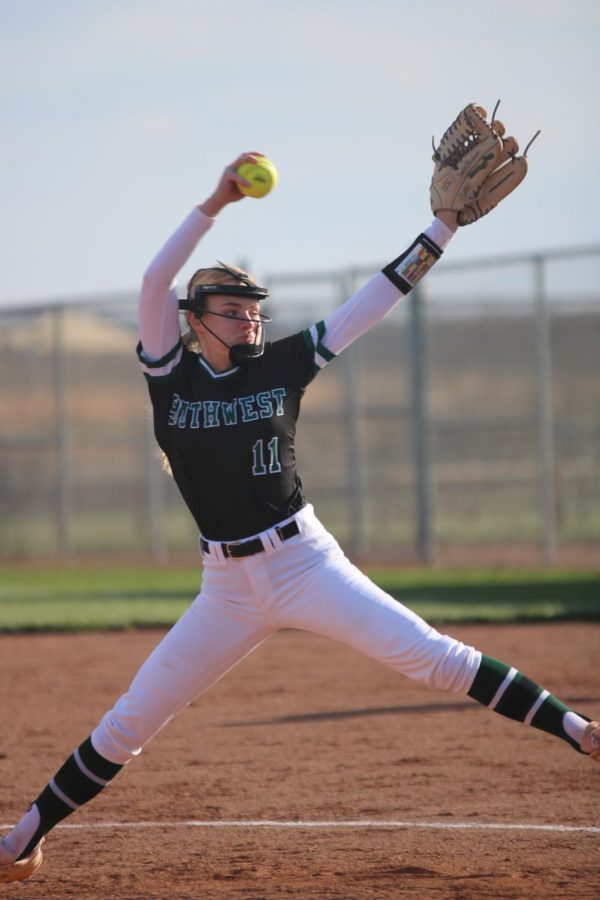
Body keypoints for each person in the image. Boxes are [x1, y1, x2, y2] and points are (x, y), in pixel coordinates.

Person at [1, 146, 598, 886]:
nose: (251, 320)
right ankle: (19, 842)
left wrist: (441, 228)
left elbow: (376, 298)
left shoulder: (284, 365)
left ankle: (581, 732)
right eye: (235, 310)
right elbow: (155, 279)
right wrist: (216, 197)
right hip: (224, 588)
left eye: (256, 310)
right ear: (196, 320)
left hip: (303, 563)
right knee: (130, 723)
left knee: (433, 659)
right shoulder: (170, 375)